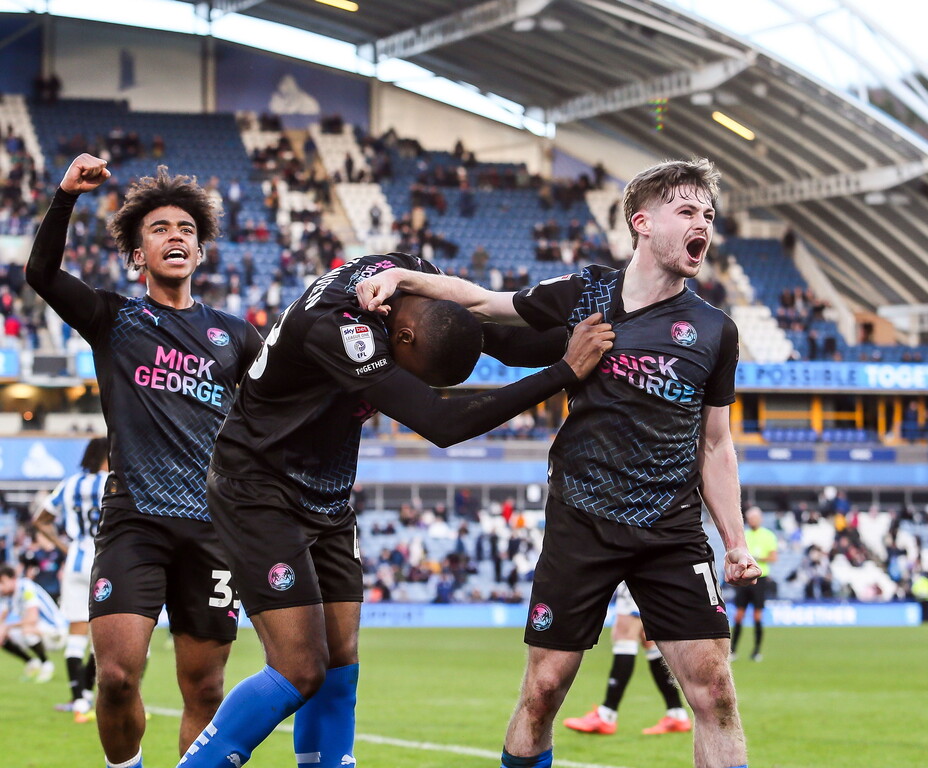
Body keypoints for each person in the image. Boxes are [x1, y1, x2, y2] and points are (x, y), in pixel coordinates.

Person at [358, 157, 761, 768]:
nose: (702, 222)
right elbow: (487, 303)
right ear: (642, 222)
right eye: (687, 211)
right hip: (582, 521)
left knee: (716, 693)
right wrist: (404, 281)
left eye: (708, 214)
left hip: (671, 531)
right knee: (544, 692)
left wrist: (734, 539)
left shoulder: (715, 331)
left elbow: (715, 444)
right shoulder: (587, 294)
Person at [176, 252, 612, 767]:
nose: (408, 386)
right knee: (299, 669)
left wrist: (606, 333)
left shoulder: (411, 279)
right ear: (400, 339)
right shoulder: (336, 327)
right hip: (258, 489)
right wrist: (563, 372)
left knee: (340, 668)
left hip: (329, 496)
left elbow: (496, 335)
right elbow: (441, 423)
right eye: (414, 373)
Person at [25, 154, 263, 768]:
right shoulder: (115, 319)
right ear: (138, 255)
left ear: (201, 250)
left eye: (185, 229)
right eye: (158, 229)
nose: (175, 236)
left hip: (214, 531)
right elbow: (42, 273)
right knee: (116, 679)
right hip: (136, 520)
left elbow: (275, 414)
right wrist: (65, 197)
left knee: (206, 689)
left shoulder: (237, 337)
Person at [32, 436, 109, 722]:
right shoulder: (111, 482)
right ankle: (90, 696)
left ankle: (78, 700)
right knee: (103, 634)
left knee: (75, 632)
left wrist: (66, 546)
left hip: (75, 561)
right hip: (105, 562)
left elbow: (40, 519)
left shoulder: (69, 483)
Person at [563, 583, 691, 736]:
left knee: (624, 634)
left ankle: (607, 715)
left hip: (637, 569)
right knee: (648, 638)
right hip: (653, 571)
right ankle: (676, 713)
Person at [0, 563, 67, 683]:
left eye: (2, 582)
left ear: (13, 579)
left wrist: (6, 626)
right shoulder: (8, 596)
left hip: (56, 630)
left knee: (27, 629)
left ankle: (47, 665)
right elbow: (2, 618)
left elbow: (32, 619)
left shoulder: (26, 587)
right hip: (40, 631)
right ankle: (32, 663)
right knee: (4, 633)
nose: (0, 587)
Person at [730, 506, 779, 662]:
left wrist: (758, 558)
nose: (752, 521)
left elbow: (773, 557)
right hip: (744, 578)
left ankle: (756, 650)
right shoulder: (744, 535)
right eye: (750, 519)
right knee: (739, 615)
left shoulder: (768, 536)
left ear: (760, 519)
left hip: (760, 578)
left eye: (754, 519)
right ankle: (733, 650)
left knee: (757, 615)